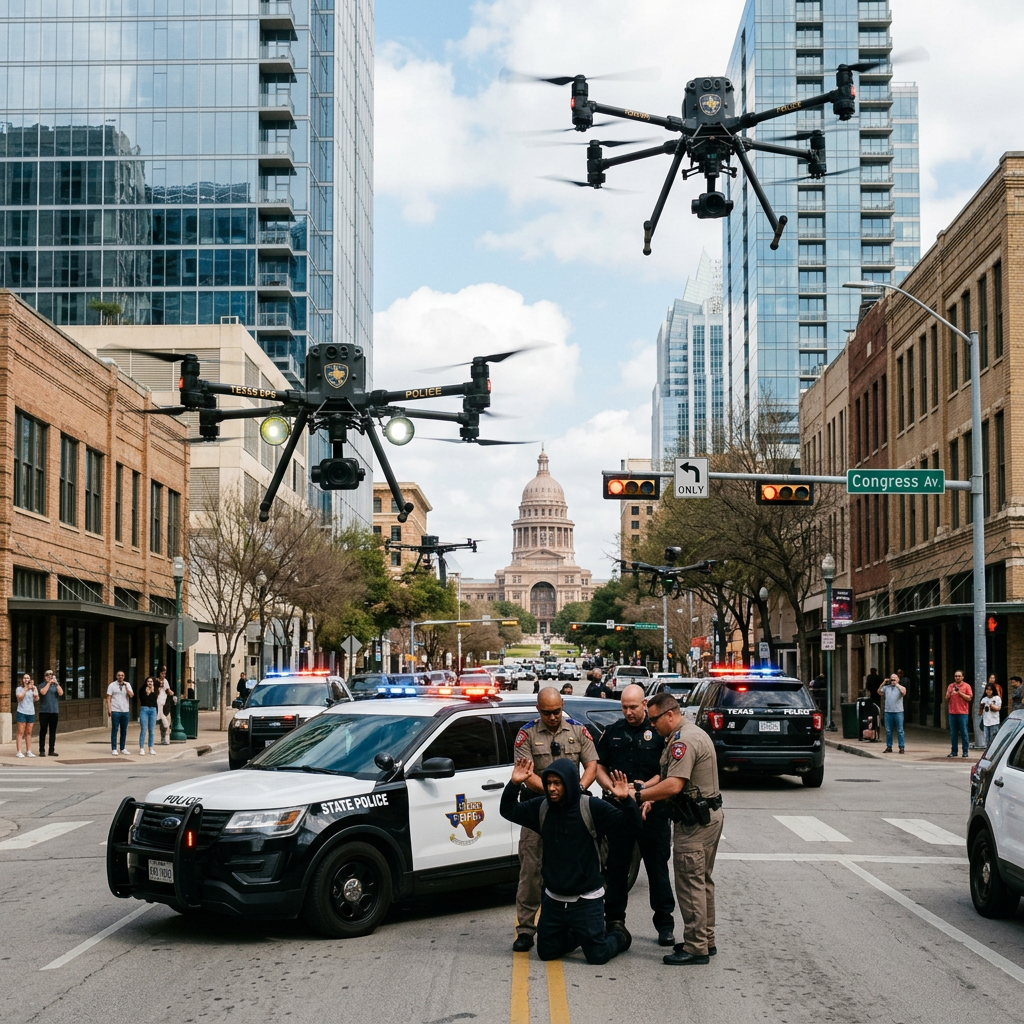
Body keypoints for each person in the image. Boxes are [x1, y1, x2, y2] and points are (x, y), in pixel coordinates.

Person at [500, 757, 638, 964]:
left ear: (570, 783)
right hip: (554, 899)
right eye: (548, 783)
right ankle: (579, 937)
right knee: (546, 952)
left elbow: (631, 827)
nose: (552, 789)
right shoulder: (542, 807)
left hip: (587, 899)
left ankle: (619, 937)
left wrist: (626, 800)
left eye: (558, 783)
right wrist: (515, 783)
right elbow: (508, 810)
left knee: (597, 956)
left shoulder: (590, 807)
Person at [637, 691, 724, 966]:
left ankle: (696, 946)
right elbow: (670, 781)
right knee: (702, 881)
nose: (652, 726)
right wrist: (650, 794)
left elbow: (674, 785)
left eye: (654, 720)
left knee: (689, 883)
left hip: (695, 823)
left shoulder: (682, 741)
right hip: (707, 815)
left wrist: (638, 796)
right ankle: (705, 939)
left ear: (670, 715)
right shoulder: (689, 733)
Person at [510, 687, 599, 953]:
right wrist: (552, 793)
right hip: (539, 810)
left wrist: (578, 790)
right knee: (531, 869)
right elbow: (526, 772)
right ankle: (525, 929)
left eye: (556, 711)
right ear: (538, 710)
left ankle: (574, 924)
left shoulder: (578, 730)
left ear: (562, 705)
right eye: (547, 712)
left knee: (574, 867)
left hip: (572, 811)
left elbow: (592, 764)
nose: (552, 716)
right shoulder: (526, 734)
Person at [595, 684, 675, 946]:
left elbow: (668, 771)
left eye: (633, 707)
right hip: (619, 812)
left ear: (644, 704)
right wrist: (614, 789)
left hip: (652, 810)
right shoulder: (613, 732)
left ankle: (665, 924)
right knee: (616, 870)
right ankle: (614, 922)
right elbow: (599, 767)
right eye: (624, 707)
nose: (629, 712)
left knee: (657, 870)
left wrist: (645, 792)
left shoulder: (659, 731)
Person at [945, 669, 972, 758]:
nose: (957, 677)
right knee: (953, 733)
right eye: (956, 676)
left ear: (963, 677)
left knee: (964, 732)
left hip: (963, 713)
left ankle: (965, 751)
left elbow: (969, 698)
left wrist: (959, 692)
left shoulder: (966, 686)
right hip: (952, 712)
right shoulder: (950, 686)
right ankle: (954, 751)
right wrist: (951, 692)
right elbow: (946, 698)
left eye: (959, 676)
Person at [877, 672, 907, 754]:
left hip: (898, 712)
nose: (893, 681)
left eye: (895, 679)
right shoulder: (886, 688)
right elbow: (879, 692)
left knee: (900, 730)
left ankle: (901, 747)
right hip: (888, 712)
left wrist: (896, 684)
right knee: (888, 730)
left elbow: (904, 692)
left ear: (898, 679)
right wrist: (884, 682)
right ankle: (889, 746)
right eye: (892, 679)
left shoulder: (901, 687)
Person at [37, 669, 63, 757]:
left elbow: (61, 693)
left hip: (54, 711)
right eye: (47, 675)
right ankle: (41, 750)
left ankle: (51, 750)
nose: (49, 676)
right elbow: (43, 692)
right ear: (44, 677)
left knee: (53, 731)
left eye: (51, 674)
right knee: (43, 731)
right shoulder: (42, 685)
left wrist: (56, 683)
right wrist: (48, 683)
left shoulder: (55, 685)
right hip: (44, 712)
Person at [107, 671, 134, 755]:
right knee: (115, 730)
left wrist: (127, 689)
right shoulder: (112, 685)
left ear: (124, 676)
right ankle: (114, 748)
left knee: (124, 730)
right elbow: (108, 698)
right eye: (119, 675)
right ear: (116, 676)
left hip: (125, 711)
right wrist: (109, 709)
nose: (120, 677)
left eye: (122, 675)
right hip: (115, 710)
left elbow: (131, 695)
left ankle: (122, 748)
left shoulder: (127, 685)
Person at [14, 673, 38, 758]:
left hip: (31, 712)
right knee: (21, 732)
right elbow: (19, 698)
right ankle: (19, 751)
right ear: (22, 680)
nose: (26, 679)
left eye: (28, 678)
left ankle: (28, 751)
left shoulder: (33, 688)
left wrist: (34, 690)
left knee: (29, 732)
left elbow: (37, 698)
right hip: (21, 712)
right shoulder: (19, 689)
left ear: (30, 680)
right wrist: (26, 689)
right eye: (25, 678)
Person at [138, 677, 159, 755]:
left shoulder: (156, 690)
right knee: (143, 729)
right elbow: (142, 699)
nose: (150, 683)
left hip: (153, 710)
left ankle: (151, 748)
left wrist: (152, 691)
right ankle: (142, 748)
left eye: (151, 681)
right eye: (148, 681)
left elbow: (155, 700)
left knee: (151, 730)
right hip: (144, 709)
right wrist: (147, 692)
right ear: (146, 682)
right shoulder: (142, 690)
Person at [980, 683, 1002, 747]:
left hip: (994, 722)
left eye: (990, 690)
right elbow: (981, 710)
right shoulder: (984, 699)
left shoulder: (997, 698)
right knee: (987, 740)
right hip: (986, 722)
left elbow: (999, 708)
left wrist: (992, 707)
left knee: (993, 740)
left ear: (993, 690)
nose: (988, 691)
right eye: (987, 689)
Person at [157, 677, 175, 745]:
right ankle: (163, 738)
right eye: (160, 683)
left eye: (163, 683)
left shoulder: (167, 692)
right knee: (163, 726)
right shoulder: (157, 691)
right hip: (160, 710)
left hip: (166, 709)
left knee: (167, 725)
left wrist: (171, 693)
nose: (162, 684)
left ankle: (167, 739)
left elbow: (171, 698)